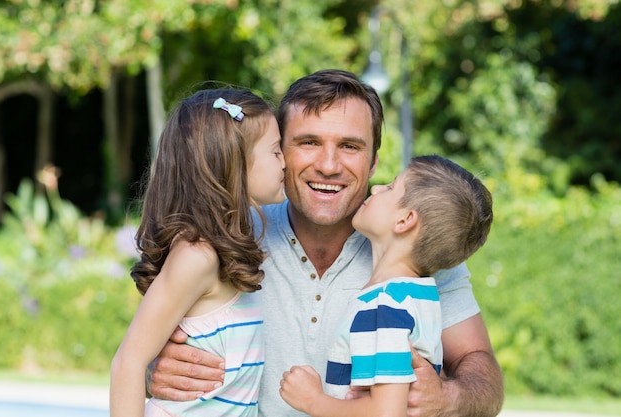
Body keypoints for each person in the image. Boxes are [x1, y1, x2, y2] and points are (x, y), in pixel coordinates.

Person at [148, 69, 504, 417]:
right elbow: (150, 347)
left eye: (350, 146)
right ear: (279, 152)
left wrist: (448, 398)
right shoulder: (229, 236)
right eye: (309, 143)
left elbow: (480, 369)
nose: (329, 165)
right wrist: (160, 369)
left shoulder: (422, 252)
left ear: (374, 160)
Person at [109, 88, 286, 417]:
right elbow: (128, 362)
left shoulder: (235, 248)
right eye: (276, 151)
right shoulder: (197, 256)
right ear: (236, 163)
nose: (285, 163)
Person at [279, 154, 494, 417]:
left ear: (404, 220)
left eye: (390, 188)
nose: (376, 188)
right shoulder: (417, 297)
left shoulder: (384, 307)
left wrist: (312, 400)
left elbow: (386, 412)